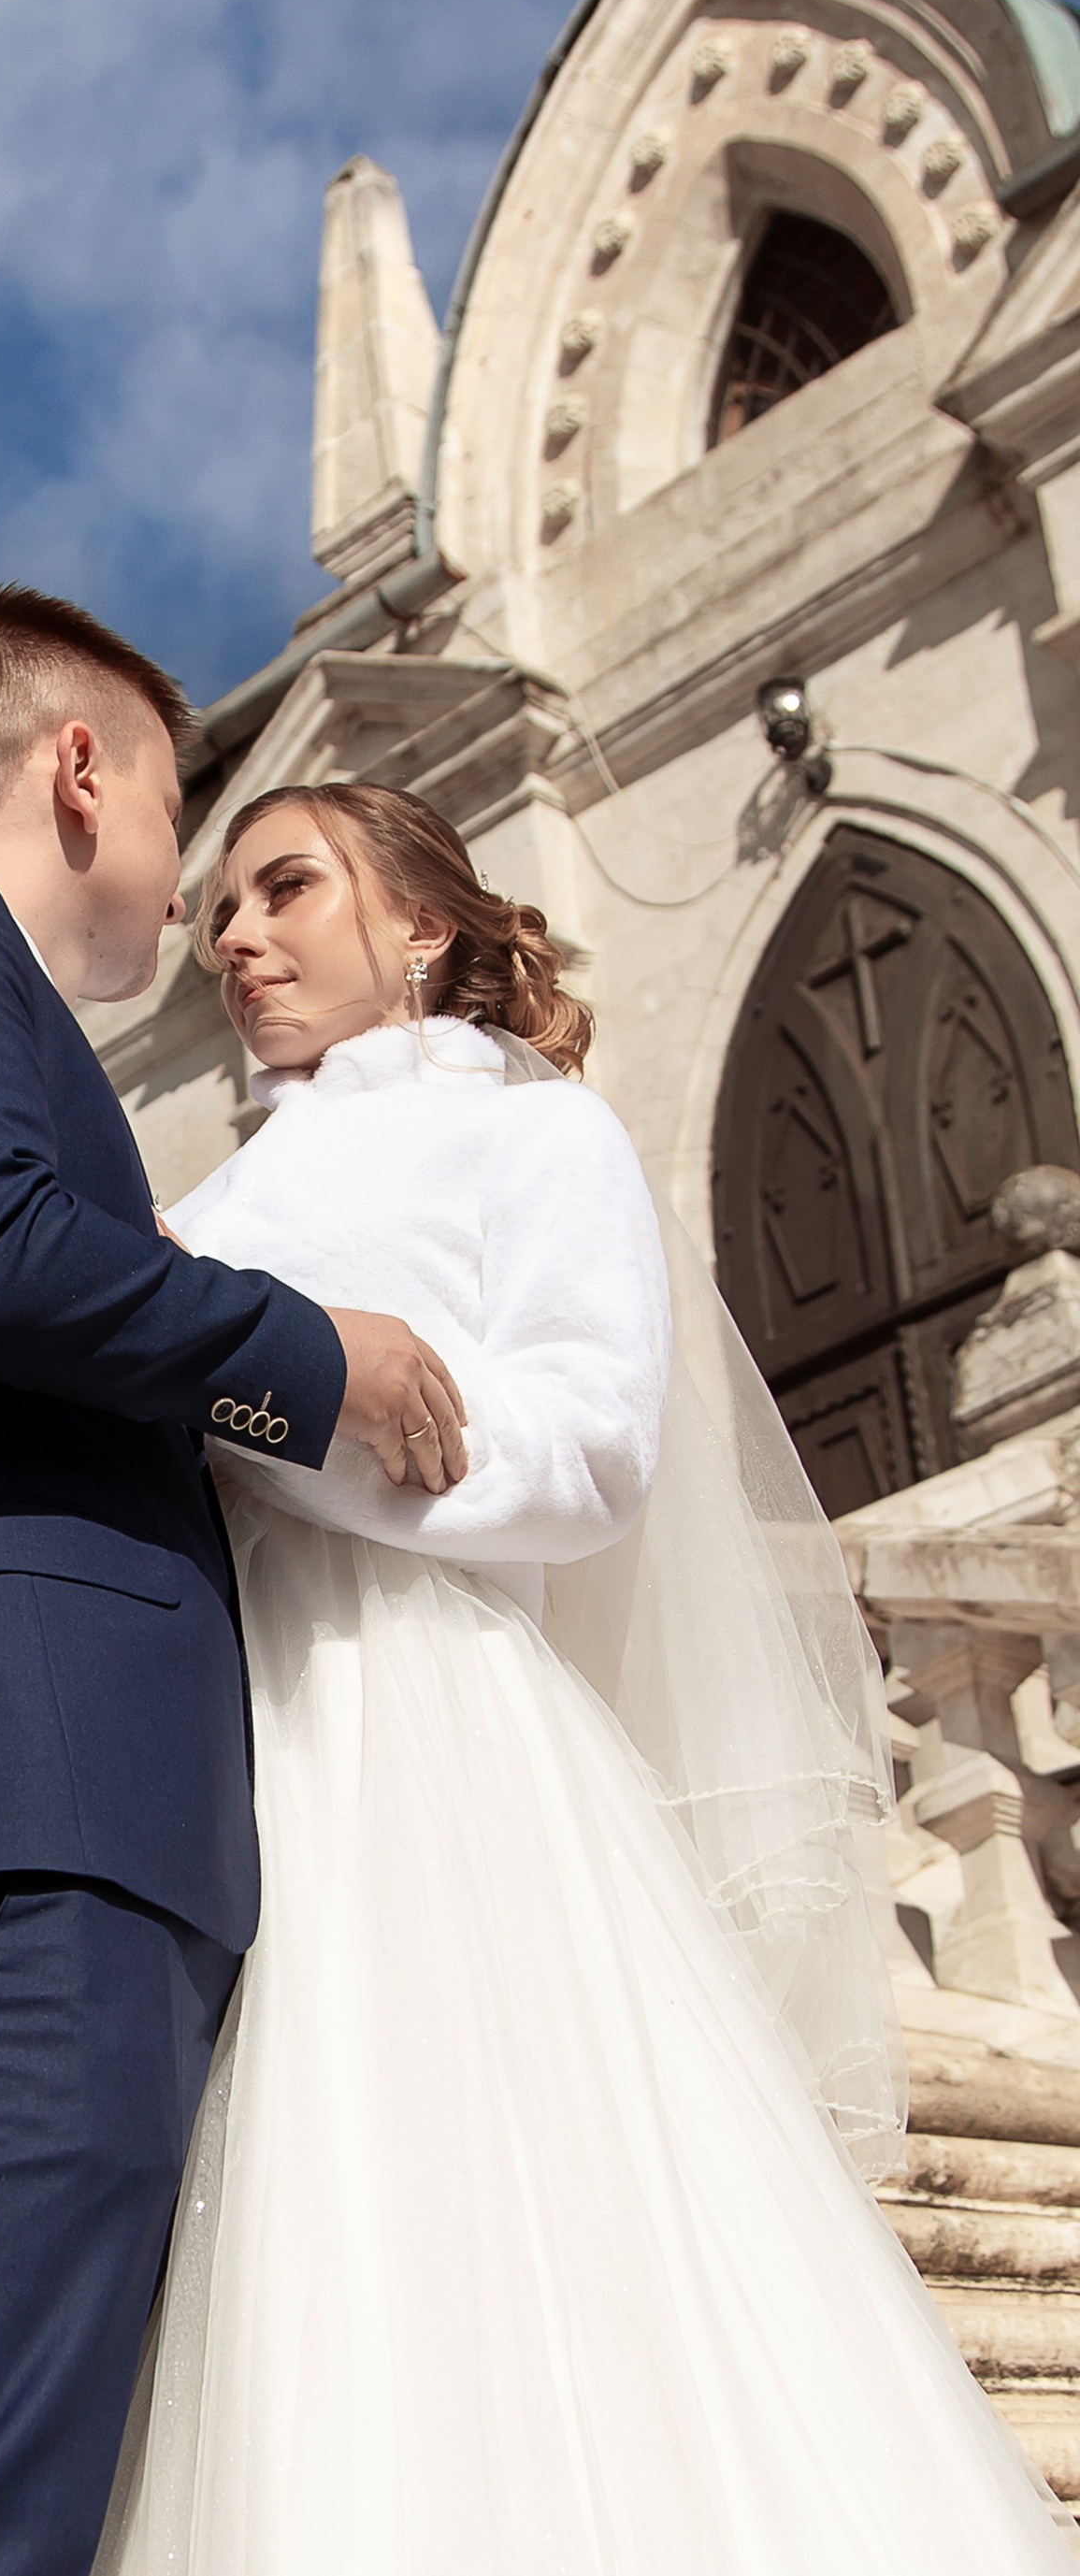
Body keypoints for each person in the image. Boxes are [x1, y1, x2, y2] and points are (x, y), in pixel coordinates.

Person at [97, 778, 1073, 2574]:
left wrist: (267, 1410)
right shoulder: (201, 1197)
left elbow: (592, 1449)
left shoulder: (532, 1138)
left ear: (422, 924)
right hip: (220, 1735)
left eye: (286, 887)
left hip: (427, 1713)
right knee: (310, 2226)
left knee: (483, 2179)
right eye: (222, 906)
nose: (232, 934)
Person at [0, 590, 464, 2576]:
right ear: (75, 770)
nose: (192, 883)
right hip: (2, 1835)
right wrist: (315, 1357)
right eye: (175, 801)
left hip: (58, 1838)